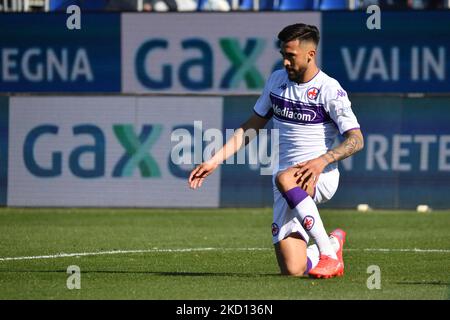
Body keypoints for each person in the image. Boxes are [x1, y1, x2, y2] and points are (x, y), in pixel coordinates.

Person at [188, 23, 364, 278]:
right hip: (285, 182)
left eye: (290, 56)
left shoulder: (330, 90)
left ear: (310, 55)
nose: (285, 62)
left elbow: (356, 140)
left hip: (320, 175)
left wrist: (321, 161)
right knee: (293, 269)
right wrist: (214, 160)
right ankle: (333, 244)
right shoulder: (276, 81)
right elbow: (252, 126)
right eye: (283, 55)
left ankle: (327, 254)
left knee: (285, 177)